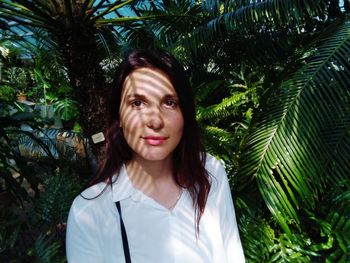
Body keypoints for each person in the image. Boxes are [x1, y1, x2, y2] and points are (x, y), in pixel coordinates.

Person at [66, 48, 245, 263]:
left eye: (169, 102)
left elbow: (232, 253)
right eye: (138, 103)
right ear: (119, 117)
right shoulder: (90, 212)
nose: (155, 121)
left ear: (184, 113)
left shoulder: (209, 173)